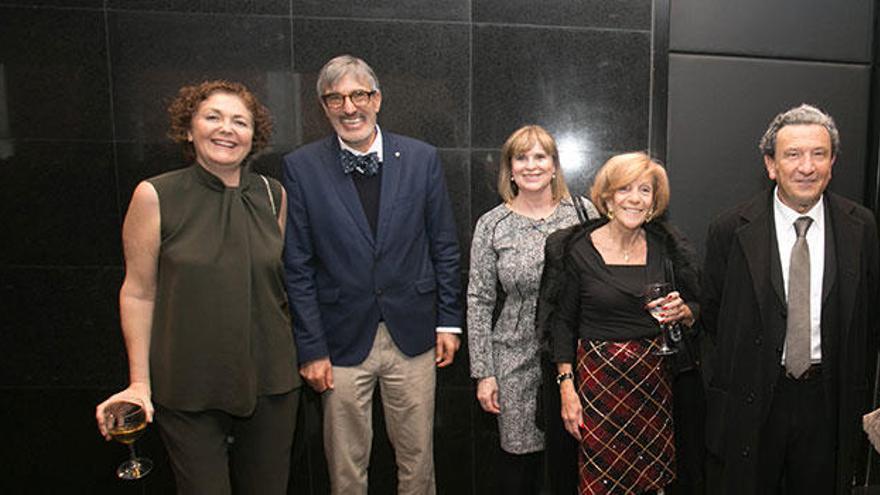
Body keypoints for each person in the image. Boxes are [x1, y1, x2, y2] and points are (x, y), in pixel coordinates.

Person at [94, 80, 300, 494]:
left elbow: (279, 285)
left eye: (240, 121)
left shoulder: (272, 195)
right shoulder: (155, 196)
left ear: (253, 136)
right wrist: (139, 383)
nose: (227, 129)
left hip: (271, 383)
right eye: (213, 117)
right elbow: (138, 292)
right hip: (187, 384)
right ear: (189, 129)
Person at [281, 54, 462, 495]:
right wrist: (310, 348)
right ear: (323, 107)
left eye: (358, 94)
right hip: (339, 340)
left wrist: (448, 321)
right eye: (335, 98)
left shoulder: (422, 158)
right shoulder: (301, 167)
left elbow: (444, 244)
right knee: (345, 466)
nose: (349, 107)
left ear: (377, 99)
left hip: (415, 333)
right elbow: (298, 265)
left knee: (418, 459)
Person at [702, 104, 879, 494]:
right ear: (770, 164)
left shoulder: (861, 227)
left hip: (828, 400)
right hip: (754, 398)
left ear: (832, 163)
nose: (806, 166)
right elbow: (712, 318)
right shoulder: (730, 229)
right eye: (793, 155)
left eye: (819, 154)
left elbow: (870, 318)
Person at [547, 152, 700, 494]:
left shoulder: (667, 248)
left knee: (651, 478)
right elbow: (562, 324)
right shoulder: (577, 250)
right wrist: (567, 388)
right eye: (625, 189)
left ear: (653, 201)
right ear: (608, 197)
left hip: (653, 385)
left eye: (644, 190)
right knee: (602, 480)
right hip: (598, 385)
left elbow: (697, 306)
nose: (635, 198)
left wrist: (685, 312)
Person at [467, 125, 598, 494]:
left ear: (555, 166)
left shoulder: (582, 213)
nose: (531, 165)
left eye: (540, 156)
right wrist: (484, 373)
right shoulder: (492, 225)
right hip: (514, 359)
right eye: (521, 158)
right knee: (519, 463)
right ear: (509, 169)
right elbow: (479, 300)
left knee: (572, 459)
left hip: (574, 357)